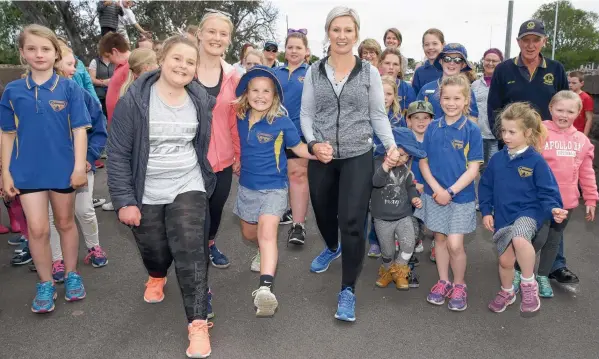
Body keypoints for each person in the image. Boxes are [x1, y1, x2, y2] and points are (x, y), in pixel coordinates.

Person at [107, 35, 215, 358]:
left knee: (191, 249)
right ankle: (156, 274)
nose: (183, 66)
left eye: (190, 62)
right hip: (147, 189)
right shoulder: (135, 101)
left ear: (196, 69)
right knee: (154, 249)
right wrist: (125, 200)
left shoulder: (199, 99)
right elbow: (117, 153)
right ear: (161, 59)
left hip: (188, 182)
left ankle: (197, 322)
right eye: (177, 58)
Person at [300, 6, 399, 322]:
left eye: (348, 30)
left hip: (358, 154)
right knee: (325, 214)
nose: (342, 36)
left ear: (356, 34)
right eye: (336, 29)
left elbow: (377, 115)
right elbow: (305, 115)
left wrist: (391, 145)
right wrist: (314, 144)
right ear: (328, 33)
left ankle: (347, 290)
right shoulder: (314, 71)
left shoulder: (369, 72)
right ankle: (331, 247)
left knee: (353, 223)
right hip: (323, 157)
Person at [0, 24, 91, 313]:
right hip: (26, 171)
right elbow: (6, 133)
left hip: (63, 169)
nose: (39, 54)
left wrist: (79, 167)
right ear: (23, 53)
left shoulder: (70, 87)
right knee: (37, 229)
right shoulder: (12, 91)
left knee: (65, 223)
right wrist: (6, 172)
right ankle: (46, 282)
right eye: (32, 48)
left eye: (45, 49)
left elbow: (80, 130)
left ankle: (72, 275)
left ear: (56, 53)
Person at [233, 65, 315, 317]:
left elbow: (299, 148)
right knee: (250, 233)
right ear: (246, 94)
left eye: (266, 91)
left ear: (274, 95)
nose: (260, 95)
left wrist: (318, 151)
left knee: (267, 234)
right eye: (255, 90)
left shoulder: (281, 121)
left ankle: (265, 289)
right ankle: (259, 249)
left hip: (274, 189)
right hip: (247, 187)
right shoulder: (238, 116)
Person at [479, 102, 567, 316]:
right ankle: (507, 292)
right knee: (505, 261)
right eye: (503, 131)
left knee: (520, 238)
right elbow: (486, 186)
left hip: (529, 212)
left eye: (512, 132)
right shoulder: (497, 159)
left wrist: (554, 208)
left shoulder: (536, 161)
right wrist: (486, 211)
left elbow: (548, 190)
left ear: (527, 132)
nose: (506, 136)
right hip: (503, 216)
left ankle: (529, 284)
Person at [415, 74, 483, 312]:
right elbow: (423, 162)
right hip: (435, 195)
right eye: (446, 97)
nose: (451, 103)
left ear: (466, 101)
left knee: (455, 244)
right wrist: (437, 190)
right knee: (439, 239)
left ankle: (459, 284)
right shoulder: (432, 127)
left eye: (457, 98)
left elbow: (474, 169)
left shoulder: (472, 130)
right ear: (439, 99)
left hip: (461, 198)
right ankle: (443, 280)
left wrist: (451, 191)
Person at [47, 46, 108, 281]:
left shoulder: (82, 95)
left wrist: (89, 157)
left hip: (81, 167)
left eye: (75, 64)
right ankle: (57, 259)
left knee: (84, 210)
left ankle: (94, 247)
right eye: (70, 64)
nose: (74, 69)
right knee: (54, 217)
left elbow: (99, 129)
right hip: (51, 170)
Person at [529, 91, 597, 296]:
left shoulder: (582, 141)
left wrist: (591, 198)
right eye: (559, 109)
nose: (564, 115)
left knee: (553, 241)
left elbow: (586, 171)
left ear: (578, 113)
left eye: (570, 111)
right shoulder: (539, 133)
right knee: (538, 239)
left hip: (566, 202)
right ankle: (519, 271)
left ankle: (543, 276)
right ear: (550, 108)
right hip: (539, 200)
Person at [195, 11, 241, 269]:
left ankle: (210, 244)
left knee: (215, 209)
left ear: (229, 40)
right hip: (186, 158)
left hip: (222, 159)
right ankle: (190, 256)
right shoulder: (183, 68)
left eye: (223, 34)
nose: (216, 37)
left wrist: (239, 155)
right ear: (199, 34)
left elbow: (236, 119)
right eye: (211, 31)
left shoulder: (234, 76)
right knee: (189, 214)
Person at [487, 19, 568, 142]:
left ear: (544, 41)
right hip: (511, 143)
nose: (530, 45)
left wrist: (559, 136)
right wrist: (503, 138)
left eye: (536, 40)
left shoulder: (556, 69)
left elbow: (565, 105)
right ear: (518, 42)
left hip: (547, 141)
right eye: (525, 40)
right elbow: (494, 108)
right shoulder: (502, 69)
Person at [372, 127, 425, 291]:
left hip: (403, 216)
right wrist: (386, 166)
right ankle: (388, 271)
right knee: (387, 251)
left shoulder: (407, 171)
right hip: (382, 217)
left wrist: (414, 197)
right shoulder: (377, 164)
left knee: (409, 245)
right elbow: (376, 182)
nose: (400, 158)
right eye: (398, 153)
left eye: (405, 155)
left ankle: (400, 271)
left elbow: (410, 188)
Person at [274, 30, 310, 245]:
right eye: (290, 47)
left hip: (300, 133)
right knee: (278, 177)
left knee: (298, 175)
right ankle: (277, 213)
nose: (294, 50)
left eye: (299, 47)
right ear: (285, 51)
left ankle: (298, 225)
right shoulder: (274, 72)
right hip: (275, 133)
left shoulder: (312, 73)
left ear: (306, 51)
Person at [416, 43, 479, 120]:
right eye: (447, 59)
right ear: (441, 61)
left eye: (457, 60)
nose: (451, 63)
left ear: (463, 65)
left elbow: (472, 119)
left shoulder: (468, 91)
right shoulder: (425, 90)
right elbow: (417, 119)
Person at [405, 101, 435, 260]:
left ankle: (437, 243)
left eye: (426, 117)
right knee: (412, 219)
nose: (421, 121)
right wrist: (414, 184)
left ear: (432, 121)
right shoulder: (405, 142)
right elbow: (400, 169)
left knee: (436, 216)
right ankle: (412, 240)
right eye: (416, 117)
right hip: (410, 188)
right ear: (408, 121)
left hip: (431, 188)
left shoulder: (435, 141)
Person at [472, 48, 503, 169]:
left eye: (494, 61)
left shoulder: (503, 83)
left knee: (493, 168)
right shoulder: (475, 85)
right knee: (477, 168)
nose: (490, 63)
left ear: (500, 63)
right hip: (478, 135)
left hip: (496, 135)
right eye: (488, 60)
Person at [378, 47, 416, 115]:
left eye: (395, 64)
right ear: (380, 65)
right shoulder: (373, 86)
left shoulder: (407, 89)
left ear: (400, 68)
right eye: (387, 63)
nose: (391, 67)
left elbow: (411, 116)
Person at [411, 28, 444, 94]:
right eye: (426, 44)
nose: (430, 47)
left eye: (435, 43)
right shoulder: (419, 72)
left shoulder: (450, 69)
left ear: (443, 45)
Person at [89, 49, 115, 116]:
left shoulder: (115, 60)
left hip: (114, 95)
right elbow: (91, 79)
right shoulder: (95, 62)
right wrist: (103, 83)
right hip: (100, 96)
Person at [568, 71, 595, 136]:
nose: (570, 85)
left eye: (574, 83)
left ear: (581, 83)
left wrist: (584, 136)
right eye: (569, 82)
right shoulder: (567, 95)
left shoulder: (586, 98)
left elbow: (589, 119)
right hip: (565, 130)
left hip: (578, 132)